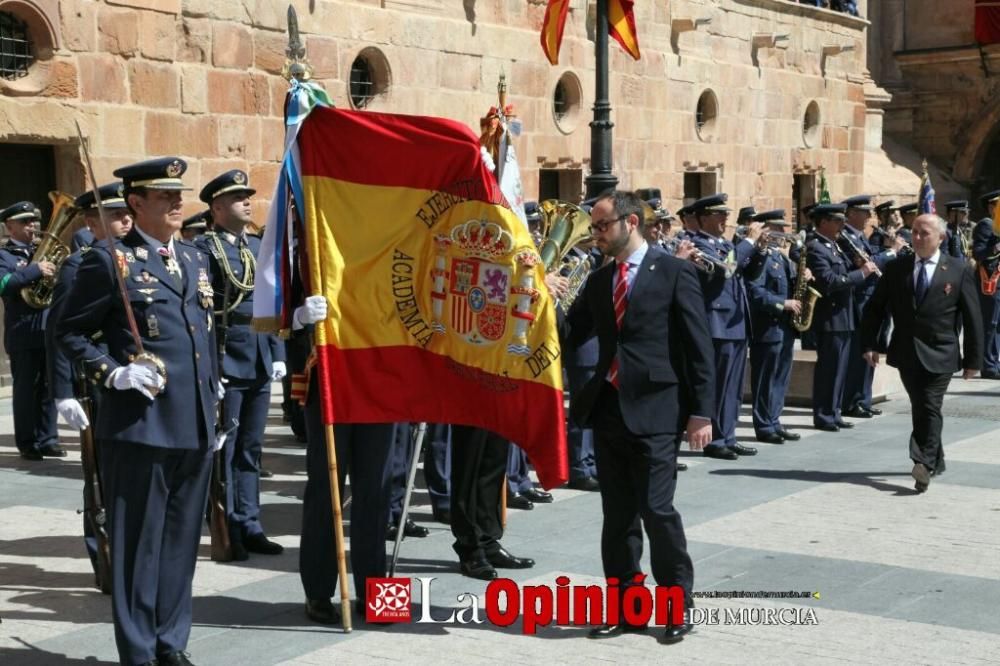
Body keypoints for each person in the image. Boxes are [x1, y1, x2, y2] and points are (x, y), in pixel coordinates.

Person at [56, 157, 220, 666]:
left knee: (180, 545)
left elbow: (204, 338)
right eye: (164, 195)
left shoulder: (194, 259)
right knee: (137, 548)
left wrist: (215, 402)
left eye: (179, 194)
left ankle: (172, 642)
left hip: (193, 423)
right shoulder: (110, 262)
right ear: (136, 203)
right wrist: (113, 373)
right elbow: (68, 331)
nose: (177, 202)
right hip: (140, 425)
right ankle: (140, 651)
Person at [561, 190, 715, 644]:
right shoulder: (599, 279)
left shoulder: (674, 272)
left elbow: (698, 346)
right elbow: (572, 333)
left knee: (657, 510)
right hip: (610, 409)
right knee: (618, 516)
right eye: (593, 227)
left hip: (658, 410)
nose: (595, 234)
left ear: (630, 223)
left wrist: (701, 412)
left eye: (601, 225)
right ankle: (627, 608)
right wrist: (540, 297)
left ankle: (676, 604)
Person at [195, 170, 286, 560]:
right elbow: (203, 315)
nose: (247, 201)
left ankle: (250, 523)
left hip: (260, 359)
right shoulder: (205, 249)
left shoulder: (255, 245)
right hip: (228, 361)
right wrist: (210, 370)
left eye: (248, 196)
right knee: (225, 451)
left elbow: (269, 303)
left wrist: (279, 355)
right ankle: (228, 523)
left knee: (251, 449)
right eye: (237, 198)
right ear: (216, 208)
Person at [45, 182, 133, 586]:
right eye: (114, 215)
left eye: (126, 212)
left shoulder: (134, 258)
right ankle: (104, 560)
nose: (125, 219)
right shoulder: (80, 265)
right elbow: (61, 333)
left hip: (130, 382)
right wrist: (62, 392)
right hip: (95, 384)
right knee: (98, 475)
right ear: (92, 222)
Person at [292, 295, 395, 625]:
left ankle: (377, 592)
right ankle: (318, 592)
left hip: (382, 374)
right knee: (326, 489)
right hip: (331, 370)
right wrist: (299, 316)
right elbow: (278, 300)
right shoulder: (317, 243)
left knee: (377, 490)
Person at [861, 214, 982, 492]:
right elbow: (875, 309)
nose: (916, 237)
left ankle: (923, 463)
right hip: (906, 352)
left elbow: (973, 317)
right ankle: (935, 459)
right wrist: (869, 344)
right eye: (914, 232)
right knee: (922, 406)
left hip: (941, 352)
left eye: (924, 233)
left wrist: (973, 361)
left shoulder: (958, 269)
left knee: (929, 404)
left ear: (940, 237)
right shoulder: (897, 268)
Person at [688, 194, 766, 459]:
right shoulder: (699, 244)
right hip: (717, 323)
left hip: (735, 321)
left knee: (733, 387)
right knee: (719, 384)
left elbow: (748, 272)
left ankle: (728, 435)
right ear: (703, 218)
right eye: (719, 215)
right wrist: (748, 242)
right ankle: (716, 439)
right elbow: (725, 270)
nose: (725, 219)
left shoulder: (724, 244)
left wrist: (760, 250)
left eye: (725, 214)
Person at [805, 204, 878, 431]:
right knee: (829, 370)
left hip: (844, 316)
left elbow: (845, 274)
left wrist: (858, 264)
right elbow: (830, 282)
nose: (841, 226)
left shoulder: (834, 246)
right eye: (837, 221)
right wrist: (862, 273)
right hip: (830, 317)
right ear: (824, 222)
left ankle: (834, 411)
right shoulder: (816, 247)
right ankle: (824, 414)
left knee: (840, 369)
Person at [0, 201, 60, 460]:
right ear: (9, 227)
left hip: (47, 327)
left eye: (33, 220)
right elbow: (4, 284)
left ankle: (48, 438)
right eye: (24, 222)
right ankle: (27, 443)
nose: (32, 225)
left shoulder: (43, 251)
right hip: (23, 331)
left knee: (49, 387)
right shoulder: (4, 256)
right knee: (26, 389)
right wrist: (35, 270)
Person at [839, 195, 903, 419]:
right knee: (860, 352)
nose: (868, 217)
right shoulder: (845, 236)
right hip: (859, 301)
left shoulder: (859, 236)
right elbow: (866, 263)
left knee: (870, 349)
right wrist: (890, 252)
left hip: (870, 298)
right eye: (864, 212)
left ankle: (863, 398)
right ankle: (852, 400)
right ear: (852, 213)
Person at [746, 209, 805, 443]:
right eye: (778, 229)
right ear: (767, 230)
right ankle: (763, 425)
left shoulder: (781, 257)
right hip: (768, 326)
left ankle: (774, 420)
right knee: (765, 379)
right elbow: (755, 292)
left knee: (781, 377)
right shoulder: (760, 257)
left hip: (785, 328)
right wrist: (783, 303)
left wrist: (804, 274)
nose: (784, 234)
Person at [972, 189, 1000, 379]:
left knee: (997, 324)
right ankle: (987, 364)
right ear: (991, 206)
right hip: (989, 280)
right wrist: (996, 247)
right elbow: (979, 253)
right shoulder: (986, 225)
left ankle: (994, 362)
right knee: (990, 322)